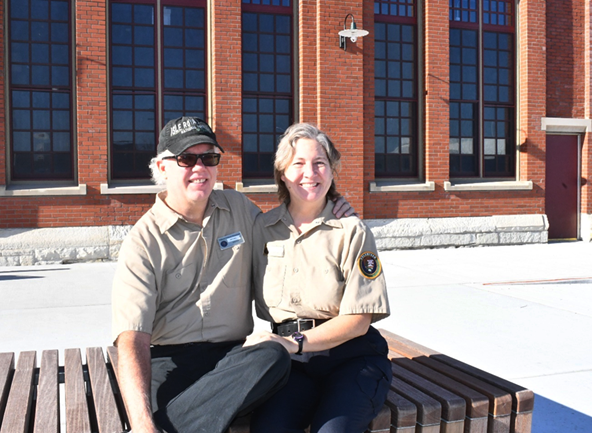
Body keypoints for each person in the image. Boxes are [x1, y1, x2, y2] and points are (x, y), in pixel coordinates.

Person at [112, 117, 353, 433]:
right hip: (171, 364)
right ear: (162, 167)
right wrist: (143, 425)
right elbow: (131, 339)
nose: (200, 168)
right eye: (186, 158)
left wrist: (331, 211)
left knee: (274, 354)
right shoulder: (144, 240)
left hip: (236, 361)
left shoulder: (239, 209)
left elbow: (291, 234)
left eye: (209, 158)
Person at [244, 123, 393, 433]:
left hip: (352, 358)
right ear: (282, 172)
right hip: (292, 366)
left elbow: (359, 321)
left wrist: (294, 343)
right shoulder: (261, 229)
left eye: (319, 163)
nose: (309, 173)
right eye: (298, 163)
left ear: (331, 170)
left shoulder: (352, 232)